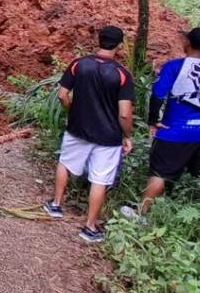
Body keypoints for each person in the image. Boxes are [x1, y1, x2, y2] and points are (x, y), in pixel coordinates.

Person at [129, 27, 200, 216]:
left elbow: (158, 94)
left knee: (159, 174)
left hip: (173, 132)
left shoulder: (174, 66)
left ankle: (140, 214)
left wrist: (153, 120)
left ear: (187, 43)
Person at [42, 25, 135, 243]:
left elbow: (63, 96)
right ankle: (89, 227)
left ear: (98, 40)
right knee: (100, 179)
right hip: (109, 136)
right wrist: (127, 136)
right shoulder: (122, 74)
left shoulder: (78, 64)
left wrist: (71, 112)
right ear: (120, 46)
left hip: (78, 128)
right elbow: (124, 114)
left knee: (65, 162)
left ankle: (56, 205)